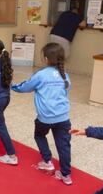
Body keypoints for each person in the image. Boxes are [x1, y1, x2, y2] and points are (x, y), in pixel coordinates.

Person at [11, 42, 72, 185]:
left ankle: (47, 161)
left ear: (45, 59)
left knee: (39, 135)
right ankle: (66, 175)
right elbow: (65, 92)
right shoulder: (65, 76)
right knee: (63, 146)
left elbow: (26, 87)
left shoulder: (40, 75)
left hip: (45, 118)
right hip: (63, 118)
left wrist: (12, 86)